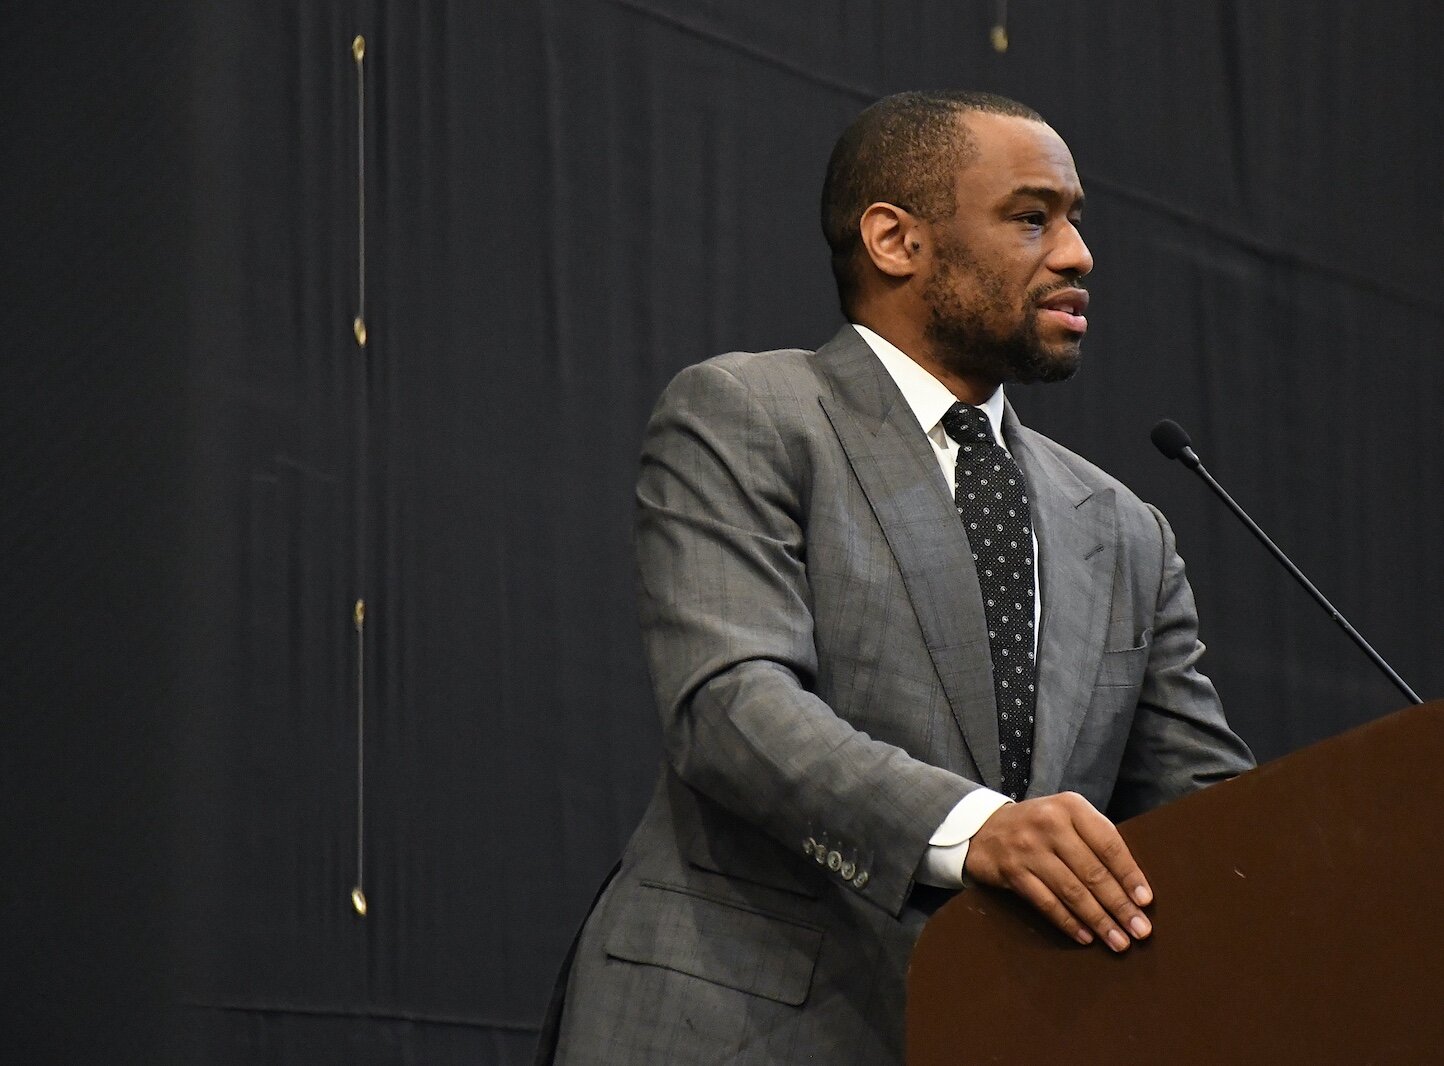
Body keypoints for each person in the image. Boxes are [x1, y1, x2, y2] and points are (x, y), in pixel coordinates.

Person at [537, 89, 1254, 1065]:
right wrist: (976, 830)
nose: (1078, 253)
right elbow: (732, 708)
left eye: (1077, 220)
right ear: (894, 240)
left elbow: (1209, 813)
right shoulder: (749, 413)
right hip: (739, 1028)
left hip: (995, 1033)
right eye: (1032, 217)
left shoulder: (1127, 529)